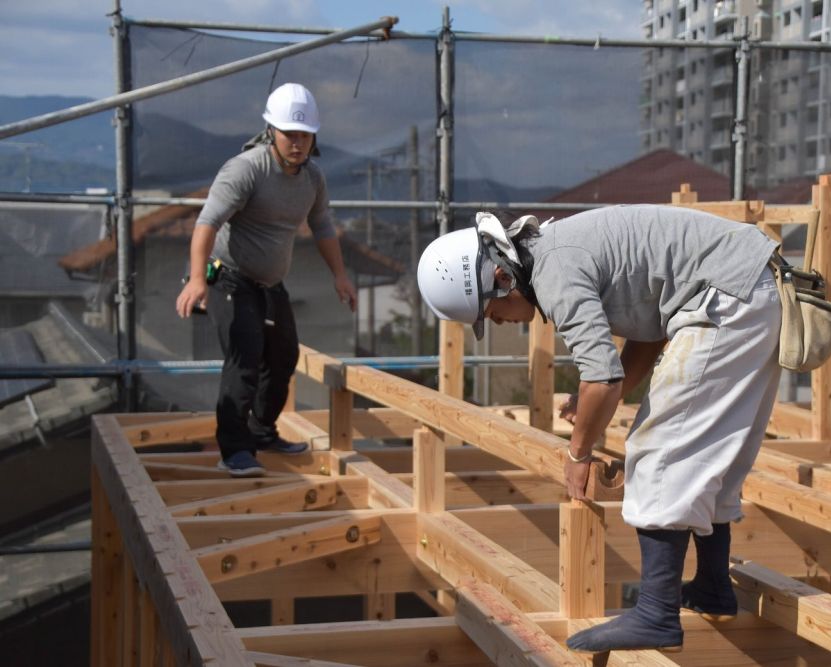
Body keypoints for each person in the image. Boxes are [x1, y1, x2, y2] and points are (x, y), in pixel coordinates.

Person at [417, 205, 781, 653]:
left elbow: (602, 380)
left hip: (729, 298)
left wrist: (579, 453)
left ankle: (656, 614)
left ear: (501, 278)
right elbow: (647, 335)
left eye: (491, 314)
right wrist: (601, 391)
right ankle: (712, 586)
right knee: (710, 449)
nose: (497, 322)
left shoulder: (553, 273)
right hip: (748, 288)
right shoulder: (553, 255)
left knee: (658, 448)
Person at [176, 82, 357, 477]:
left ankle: (261, 431)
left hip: (270, 283)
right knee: (245, 357)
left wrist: (340, 276)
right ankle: (235, 450)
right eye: (289, 134)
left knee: (283, 356)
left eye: (304, 135)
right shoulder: (247, 168)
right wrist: (196, 279)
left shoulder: (312, 178)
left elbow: (323, 225)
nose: (297, 142)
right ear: (271, 131)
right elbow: (207, 222)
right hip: (229, 278)